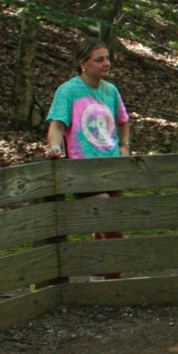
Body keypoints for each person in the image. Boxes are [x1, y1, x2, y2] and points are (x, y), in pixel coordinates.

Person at [46, 39, 130, 279]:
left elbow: (123, 121)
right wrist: (53, 147)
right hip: (83, 168)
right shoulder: (69, 90)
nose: (106, 63)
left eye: (107, 58)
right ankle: (115, 281)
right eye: (99, 59)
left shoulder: (110, 91)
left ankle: (99, 276)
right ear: (82, 63)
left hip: (112, 164)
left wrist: (124, 146)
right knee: (110, 223)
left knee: (102, 224)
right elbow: (56, 125)